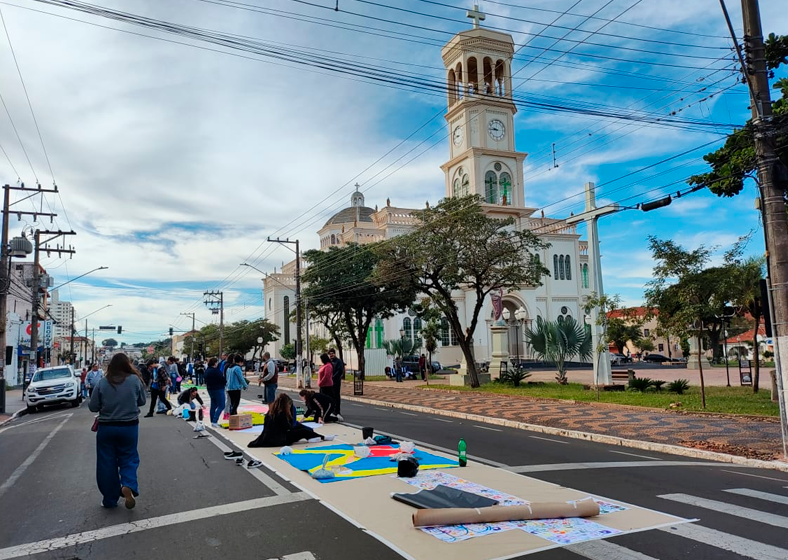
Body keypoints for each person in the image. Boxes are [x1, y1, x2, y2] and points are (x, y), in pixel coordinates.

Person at [88, 353, 146, 509]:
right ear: (127, 365)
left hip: (107, 427)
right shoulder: (134, 380)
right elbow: (142, 401)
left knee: (106, 463)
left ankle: (109, 499)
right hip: (129, 426)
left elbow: (92, 406)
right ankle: (128, 485)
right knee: (129, 457)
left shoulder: (102, 382)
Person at [248, 393, 329, 447]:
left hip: (267, 437)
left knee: (302, 429)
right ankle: (323, 437)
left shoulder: (271, 412)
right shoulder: (281, 414)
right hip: (279, 439)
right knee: (304, 431)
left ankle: (318, 436)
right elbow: (288, 428)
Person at [204, 357, 226, 427]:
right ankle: (215, 420)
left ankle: (212, 420)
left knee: (213, 405)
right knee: (221, 405)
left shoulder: (207, 370)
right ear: (215, 363)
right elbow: (222, 379)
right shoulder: (216, 371)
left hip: (210, 389)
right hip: (218, 388)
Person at [328, 348, 344, 416]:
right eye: (330, 354)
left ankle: (337, 410)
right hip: (330, 382)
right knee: (331, 396)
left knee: (336, 396)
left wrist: (333, 378)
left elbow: (339, 371)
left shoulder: (338, 361)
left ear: (334, 354)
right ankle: (332, 410)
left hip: (336, 382)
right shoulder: (329, 361)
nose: (331, 355)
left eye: (332, 353)